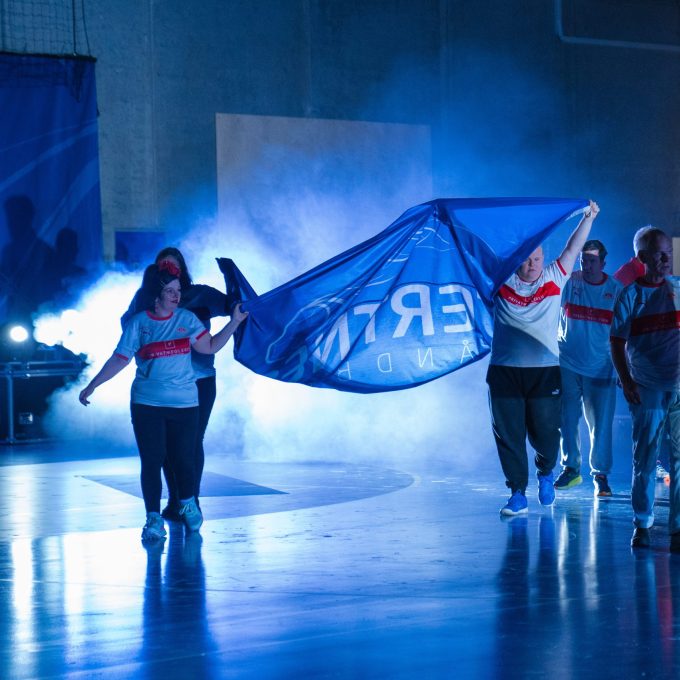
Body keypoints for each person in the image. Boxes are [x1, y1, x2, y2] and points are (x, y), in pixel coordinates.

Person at [79, 263, 248, 540]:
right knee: (152, 461)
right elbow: (119, 359)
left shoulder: (187, 320)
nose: (176, 296)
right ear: (155, 295)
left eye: (178, 290)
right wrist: (93, 385)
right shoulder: (139, 324)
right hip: (147, 405)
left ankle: (187, 502)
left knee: (183, 459)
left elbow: (209, 347)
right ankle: (153, 519)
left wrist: (235, 322)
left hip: (185, 405)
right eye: (170, 291)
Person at [488, 200, 600, 517]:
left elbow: (573, 247)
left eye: (537, 258)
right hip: (505, 373)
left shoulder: (554, 276)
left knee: (547, 434)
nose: (532, 265)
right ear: (515, 261)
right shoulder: (500, 280)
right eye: (526, 260)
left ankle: (546, 472)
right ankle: (517, 493)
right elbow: (477, 252)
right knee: (509, 436)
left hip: (544, 372)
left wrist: (588, 217)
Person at [122, 247, 237, 521]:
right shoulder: (144, 298)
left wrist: (233, 280)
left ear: (183, 269)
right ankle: (176, 500)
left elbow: (234, 306)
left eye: (174, 266)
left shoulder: (201, 294)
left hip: (200, 380)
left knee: (191, 443)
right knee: (162, 449)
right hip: (161, 384)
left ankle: (190, 502)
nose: (169, 270)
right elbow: (129, 328)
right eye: (163, 265)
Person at [609, 228, 679, 551]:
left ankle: (678, 528)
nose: (666, 259)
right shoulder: (630, 296)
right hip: (647, 387)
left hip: (678, 386)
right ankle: (642, 522)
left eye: (669, 253)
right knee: (646, 457)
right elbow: (616, 342)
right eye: (659, 254)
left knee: (679, 459)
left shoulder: (677, 289)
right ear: (642, 258)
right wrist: (626, 380)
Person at [554, 240, 622, 497]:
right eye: (584, 261)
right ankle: (571, 468)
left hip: (601, 367)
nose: (587, 265)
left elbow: (624, 331)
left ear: (603, 263)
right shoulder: (570, 282)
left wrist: (623, 367)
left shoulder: (615, 290)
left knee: (600, 425)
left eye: (592, 261)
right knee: (567, 418)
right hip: (568, 362)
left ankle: (600, 475)